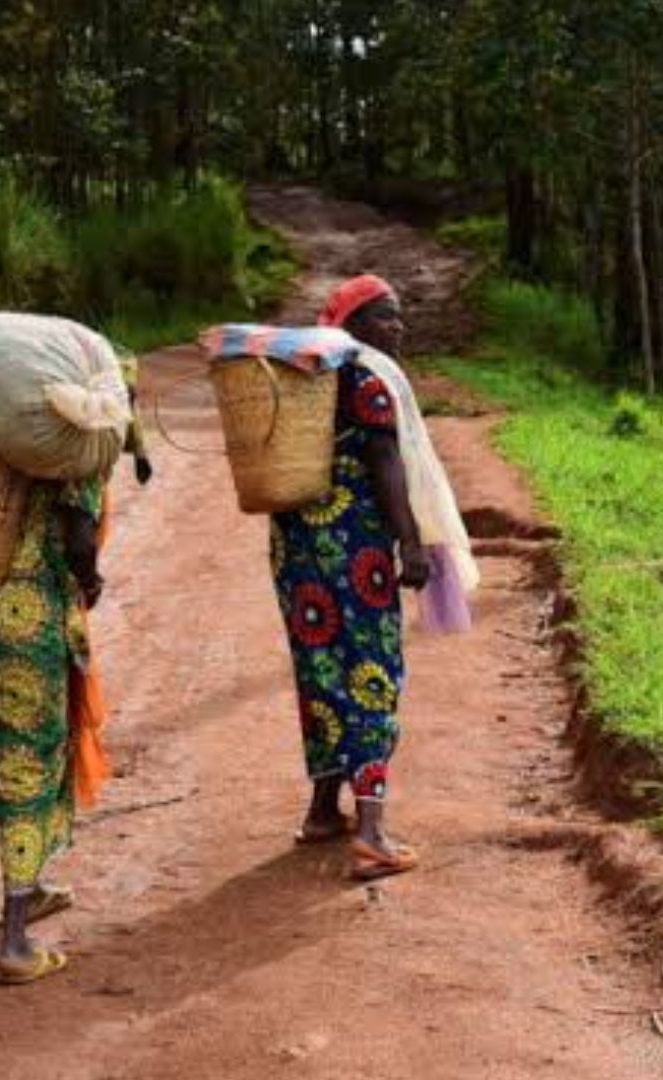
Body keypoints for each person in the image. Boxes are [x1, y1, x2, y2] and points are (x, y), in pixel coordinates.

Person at [0, 365, 148, 987]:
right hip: (30, 627)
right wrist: (88, 580)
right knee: (31, 761)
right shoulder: (74, 451)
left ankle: (28, 891)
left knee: (1, 750)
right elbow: (80, 537)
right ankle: (13, 939)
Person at [271, 274, 428, 881]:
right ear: (355, 323)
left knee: (319, 670)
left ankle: (321, 812)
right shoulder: (365, 378)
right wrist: (409, 543)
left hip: (296, 552)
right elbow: (385, 463)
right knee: (371, 672)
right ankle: (371, 832)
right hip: (355, 550)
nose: (398, 328)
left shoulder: (306, 375)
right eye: (387, 316)